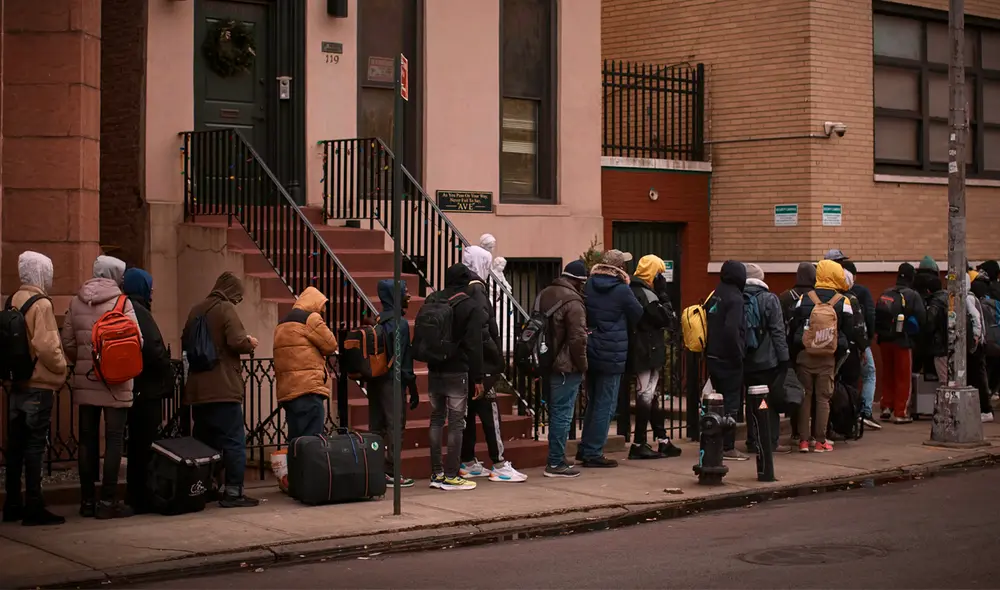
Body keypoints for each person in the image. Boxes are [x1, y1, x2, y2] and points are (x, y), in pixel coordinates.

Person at [62, 255, 142, 519]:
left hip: (86, 379)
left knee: (86, 439)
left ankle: (86, 501)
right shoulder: (122, 302)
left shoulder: (76, 301)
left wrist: (86, 362)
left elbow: (68, 342)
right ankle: (108, 501)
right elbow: (137, 342)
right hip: (116, 382)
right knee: (114, 439)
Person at [2, 252, 69, 526]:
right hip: (39, 385)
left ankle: (12, 503)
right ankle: (34, 504)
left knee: (15, 446)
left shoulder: (13, 300)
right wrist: (61, 367)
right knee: (34, 447)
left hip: (17, 382)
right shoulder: (41, 304)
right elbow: (47, 346)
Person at [183, 271, 259, 507]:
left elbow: (185, 340)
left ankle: (203, 487)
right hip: (223, 388)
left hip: (198, 390)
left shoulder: (196, 310)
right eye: (238, 296)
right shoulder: (225, 308)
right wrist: (250, 342)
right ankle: (234, 492)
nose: (238, 301)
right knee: (234, 440)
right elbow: (237, 341)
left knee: (205, 442)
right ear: (231, 292)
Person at [458, 246, 527, 482]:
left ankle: (467, 460)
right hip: (483, 365)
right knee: (491, 416)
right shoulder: (478, 290)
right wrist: (495, 359)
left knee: (469, 415)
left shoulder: (460, 288)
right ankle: (498, 462)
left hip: (466, 364)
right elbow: (482, 330)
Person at [577, 250, 643, 468]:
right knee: (605, 403)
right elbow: (638, 314)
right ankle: (593, 452)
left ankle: (586, 447)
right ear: (620, 268)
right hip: (612, 352)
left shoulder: (588, 285)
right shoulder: (622, 290)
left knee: (593, 401)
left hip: (591, 347)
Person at [426, 263, 487, 491]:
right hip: (457, 370)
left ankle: (436, 472)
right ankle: (452, 475)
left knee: (436, 419)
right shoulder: (469, 305)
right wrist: (478, 377)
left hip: (434, 368)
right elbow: (474, 345)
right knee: (455, 424)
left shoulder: (432, 300)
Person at [788, 260, 855, 453]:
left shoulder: (804, 298)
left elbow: (794, 327)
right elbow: (848, 332)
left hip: (805, 355)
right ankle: (820, 441)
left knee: (805, 396)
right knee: (823, 399)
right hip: (827, 357)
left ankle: (803, 441)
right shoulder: (843, 301)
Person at [121, 268, 173, 514]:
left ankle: (137, 493)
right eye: (149, 286)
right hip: (146, 388)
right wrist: (165, 369)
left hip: (135, 386)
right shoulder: (138, 311)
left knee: (136, 443)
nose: (152, 291)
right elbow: (153, 349)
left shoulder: (126, 307)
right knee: (144, 443)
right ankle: (142, 494)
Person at [626, 255, 682, 460]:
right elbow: (668, 319)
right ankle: (639, 442)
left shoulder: (635, 290)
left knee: (651, 396)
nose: (661, 277)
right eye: (659, 272)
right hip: (646, 350)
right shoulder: (646, 294)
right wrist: (663, 294)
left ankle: (662, 439)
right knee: (645, 396)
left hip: (645, 348)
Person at [537, 261, 589, 478]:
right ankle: (556, 462)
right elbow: (578, 338)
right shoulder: (574, 302)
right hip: (566, 365)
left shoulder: (544, 294)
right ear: (578, 281)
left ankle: (556, 459)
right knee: (562, 415)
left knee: (556, 411)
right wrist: (584, 365)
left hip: (545, 360)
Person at [368, 279, 419, 487]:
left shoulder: (378, 320)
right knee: (395, 427)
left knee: (377, 427)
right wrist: (413, 387)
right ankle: (391, 470)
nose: (409, 296)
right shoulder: (401, 325)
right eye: (405, 292)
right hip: (393, 383)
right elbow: (404, 361)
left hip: (375, 381)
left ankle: (375, 468)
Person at [273, 286, 338, 441]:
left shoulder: (282, 323)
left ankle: (295, 466)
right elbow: (331, 344)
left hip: (287, 391)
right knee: (312, 443)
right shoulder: (310, 319)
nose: (322, 313)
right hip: (308, 389)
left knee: (296, 442)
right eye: (321, 308)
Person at [741, 263, 790, 455]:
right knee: (768, 402)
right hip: (768, 361)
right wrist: (784, 358)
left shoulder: (738, 298)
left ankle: (752, 439)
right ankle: (769, 440)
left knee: (750, 400)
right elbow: (778, 332)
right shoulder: (770, 299)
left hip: (746, 360)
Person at [705, 260, 749, 460]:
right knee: (731, 403)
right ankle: (727, 446)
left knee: (716, 402)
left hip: (712, 353)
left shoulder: (716, 294)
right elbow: (732, 329)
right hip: (728, 357)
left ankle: (713, 441)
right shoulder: (735, 298)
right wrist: (739, 352)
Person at [875, 263, 926, 424]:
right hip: (902, 341)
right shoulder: (912, 295)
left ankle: (886, 407)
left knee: (888, 374)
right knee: (903, 377)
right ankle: (900, 412)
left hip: (884, 340)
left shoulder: (886, 292)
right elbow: (922, 319)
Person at [779, 262, 816, 442]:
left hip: (788, 350)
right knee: (812, 393)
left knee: (793, 390)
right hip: (809, 350)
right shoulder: (816, 297)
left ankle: (795, 431)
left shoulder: (785, 297)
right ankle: (812, 432)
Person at [841, 261, 879, 430]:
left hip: (841, 344)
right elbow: (869, 316)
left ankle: (848, 413)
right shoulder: (860, 293)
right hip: (859, 343)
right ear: (854, 276)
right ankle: (865, 411)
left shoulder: (835, 294)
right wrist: (866, 342)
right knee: (869, 373)